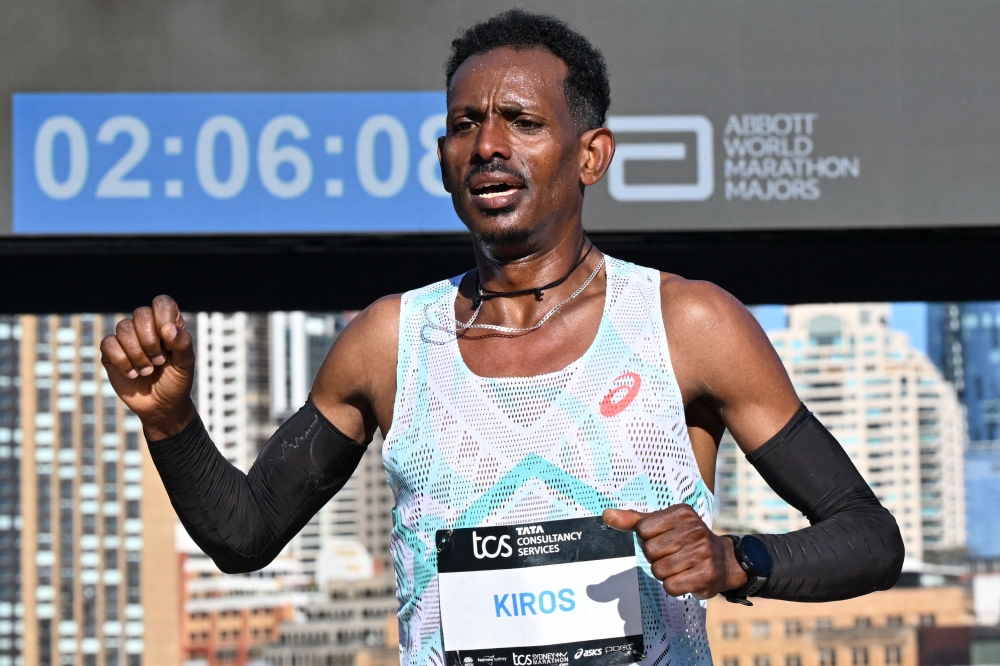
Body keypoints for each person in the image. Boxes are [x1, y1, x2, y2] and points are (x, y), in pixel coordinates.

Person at [100, 10, 904, 666]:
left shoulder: (685, 324)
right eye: (465, 125)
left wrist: (738, 560)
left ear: (591, 155)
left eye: (521, 121)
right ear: (444, 161)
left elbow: (869, 536)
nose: (488, 144)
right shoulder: (388, 342)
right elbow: (245, 536)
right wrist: (170, 422)